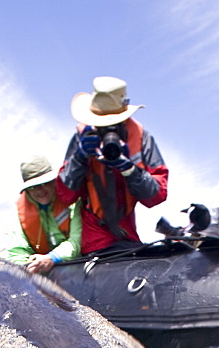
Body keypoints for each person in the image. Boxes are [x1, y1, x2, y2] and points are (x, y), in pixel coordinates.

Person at [56, 76, 168, 254]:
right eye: (102, 124)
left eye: (114, 124)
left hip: (128, 238)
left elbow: (157, 195)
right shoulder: (81, 138)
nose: (108, 130)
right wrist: (79, 158)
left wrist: (130, 170)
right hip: (93, 240)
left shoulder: (142, 138)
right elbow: (64, 195)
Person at [3, 155, 82, 274]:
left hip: (78, 269)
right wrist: (28, 266)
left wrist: (52, 257)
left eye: (45, 183)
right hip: (43, 276)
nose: (40, 190)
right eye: (34, 187)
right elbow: (16, 252)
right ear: (27, 190)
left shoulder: (73, 201)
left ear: (54, 181)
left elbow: (77, 240)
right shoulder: (18, 212)